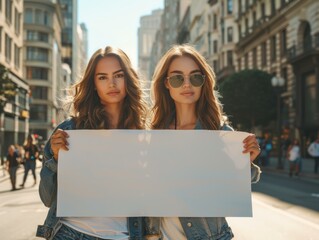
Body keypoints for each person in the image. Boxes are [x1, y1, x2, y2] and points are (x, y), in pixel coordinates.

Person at [36, 46, 158, 240]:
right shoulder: (69, 132)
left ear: (128, 79)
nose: (112, 83)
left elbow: (153, 196)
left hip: (125, 235)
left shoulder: (146, 135)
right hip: (70, 233)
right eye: (102, 77)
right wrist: (56, 160)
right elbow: (47, 198)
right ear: (93, 84)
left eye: (118, 75)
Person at [150, 44, 261, 239]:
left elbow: (236, 186)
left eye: (195, 77)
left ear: (203, 81)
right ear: (166, 83)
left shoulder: (219, 133)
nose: (187, 84)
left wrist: (247, 162)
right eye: (177, 78)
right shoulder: (152, 134)